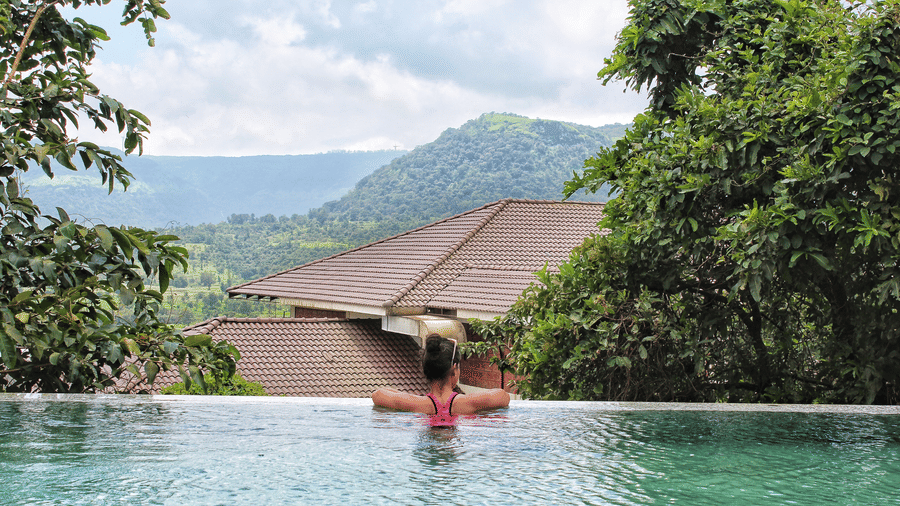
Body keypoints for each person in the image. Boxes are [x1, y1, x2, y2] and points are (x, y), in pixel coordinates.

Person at [371, 333, 510, 417]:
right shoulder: (467, 403)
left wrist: (407, 397)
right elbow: (503, 396)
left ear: (426, 370)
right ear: (454, 370)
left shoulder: (416, 404)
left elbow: (377, 395)